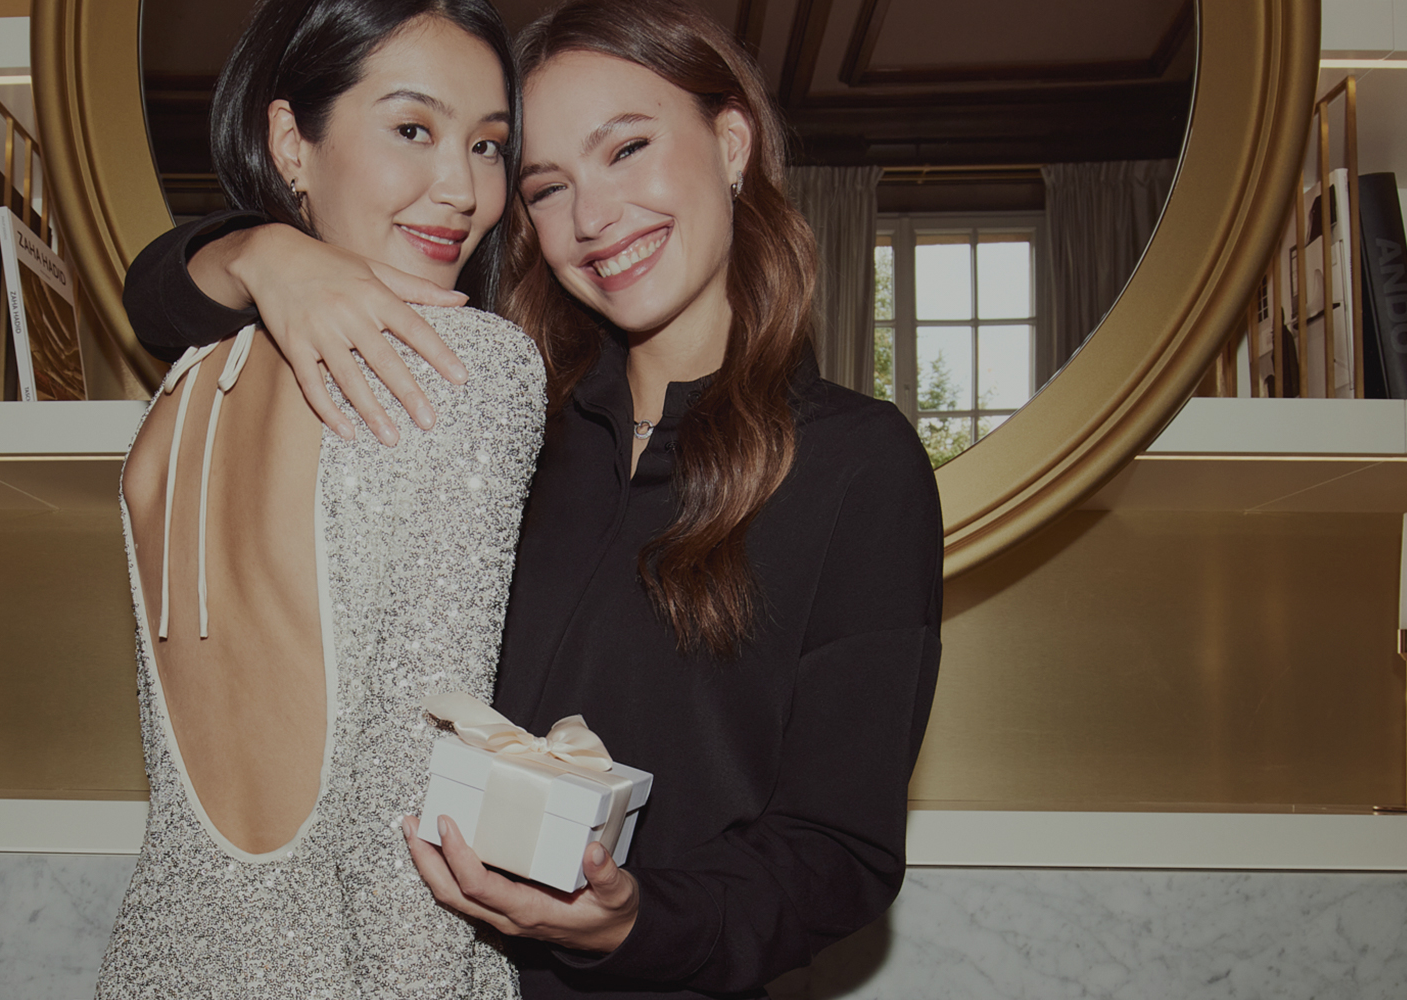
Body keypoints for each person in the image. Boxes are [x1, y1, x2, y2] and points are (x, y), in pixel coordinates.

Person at [123, 1, 944, 997]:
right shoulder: (496, 414)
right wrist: (265, 252)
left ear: (731, 141)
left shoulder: (856, 464)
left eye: (629, 148)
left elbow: (840, 851)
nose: (595, 218)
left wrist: (634, 918)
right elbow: (156, 298)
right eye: (548, 186)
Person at [95, 0, 545, 997]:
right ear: (291, 142)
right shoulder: (464, 368)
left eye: (489, 145)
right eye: (413, 129)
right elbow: (407, 822)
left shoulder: (175, 396)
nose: (461, 187)